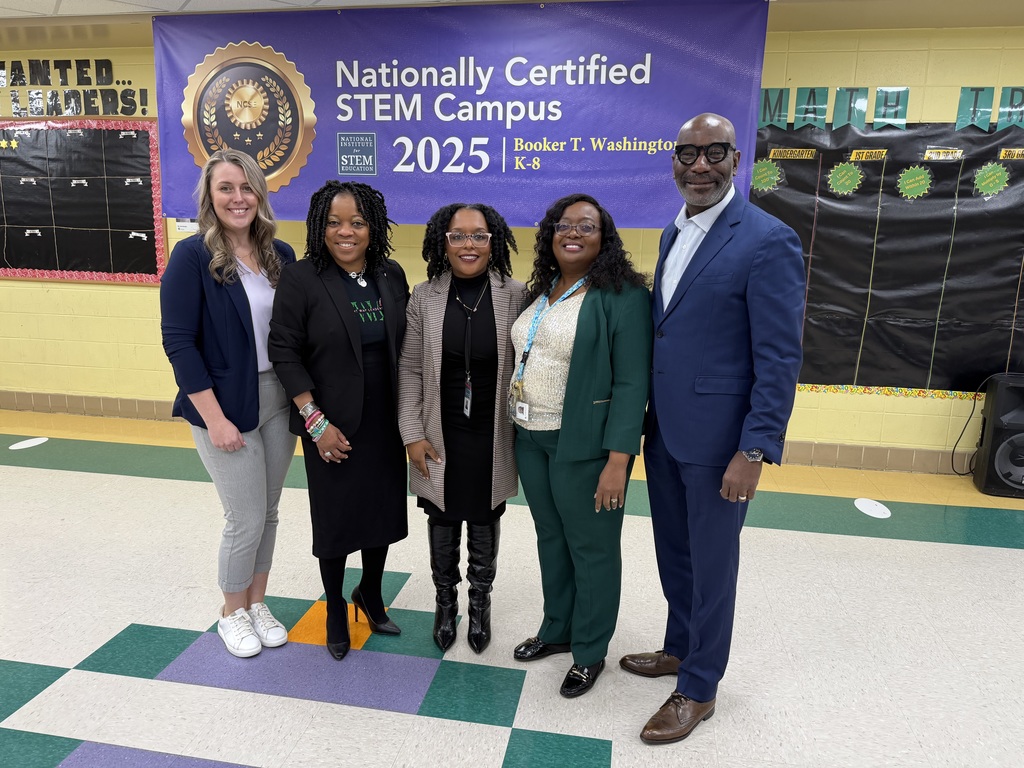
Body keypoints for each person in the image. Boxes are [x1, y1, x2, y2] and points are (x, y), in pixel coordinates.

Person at [620, 113, 805, 744]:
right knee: (675, 551)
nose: (699, 165)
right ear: (673, 161)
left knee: (714, 563)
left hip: (722, 442)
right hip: (666, 433)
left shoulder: (766, 239)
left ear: (736, 159)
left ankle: (699, 687)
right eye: (687, 153)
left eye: (714, 153)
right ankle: (679, 647)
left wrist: (754, 447)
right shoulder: (676, 233)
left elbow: (779, 356)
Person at [509, 193, 652, 698]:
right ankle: (558, 630)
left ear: (604, 237)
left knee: (591, 549)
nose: (573, 233)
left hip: (586, 447)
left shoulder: (624, 296)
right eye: (564, 225)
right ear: (550, 234)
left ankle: (590, 651)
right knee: (552, 539)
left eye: (586, 227)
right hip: (530, 438)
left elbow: (634, 384)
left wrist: (619, 460)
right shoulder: (544, 288)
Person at [160, 149, 296, 658]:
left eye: (247, 187)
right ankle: (230, 613)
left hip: (277, 400)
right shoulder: (192, 256)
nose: (238, 197)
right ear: (209, 197)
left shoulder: (281, 254)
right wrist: (214, 419)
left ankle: (257, 603)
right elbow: (179, 341)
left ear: (259, 194)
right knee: (244, 515)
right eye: (226, 188)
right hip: (221, 402)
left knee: (270, 511)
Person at [269, 181, 409, 661]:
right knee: (335, 520)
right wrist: (314, 421)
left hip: (385, 422)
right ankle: (333, 606)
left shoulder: (391, 275)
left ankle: (369, 592)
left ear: (373, 228)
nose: (344, 232)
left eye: (356, 222)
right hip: (330, 424)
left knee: (381, 514)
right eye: (333, 222)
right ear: (318, 227)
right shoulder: (302, 278)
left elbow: (404, 349)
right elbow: (283, 351)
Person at [398, 203, 527, 654]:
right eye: (458, 236)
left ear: (494, 243)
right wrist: (412, 432)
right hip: (439, 429)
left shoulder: (516, 294)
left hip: (492, 434)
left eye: (479, 236)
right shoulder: (424, 296)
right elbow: (411, 369)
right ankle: (444, 601)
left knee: (487, 514)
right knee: (442, 513)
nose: (468, 245)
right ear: (442, 242)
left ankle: (479, 603)